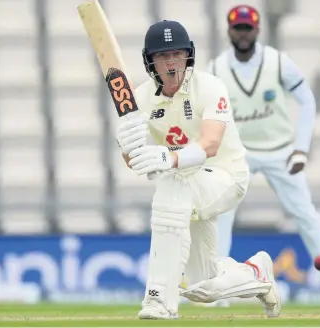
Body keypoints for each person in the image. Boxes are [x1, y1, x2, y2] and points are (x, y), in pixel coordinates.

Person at [115, 20, 281, 320]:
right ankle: (257, 272)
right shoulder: (140, 98)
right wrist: (128, 148)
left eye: (177, 54)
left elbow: (211, 144)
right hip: (185, 190)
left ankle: (159, 298)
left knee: (170, 184)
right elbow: (136, 161)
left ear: (188, 55)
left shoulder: (210, 86)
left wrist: (169, 158)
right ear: (150, 60)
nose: (171, 62)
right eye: (163, 56)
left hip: (226, 177)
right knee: (204, 286)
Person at [207, 5, 320, 307]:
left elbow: (307, 101)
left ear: (257, 30)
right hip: (238, 155)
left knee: (307, 216)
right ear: (229, 31)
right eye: (238, 28)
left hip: (280, 152)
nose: (243, 34)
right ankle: (217, 290)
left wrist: (301, 148)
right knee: (220, 217)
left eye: (248, 28)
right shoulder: (216, 69)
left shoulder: (278, 63)